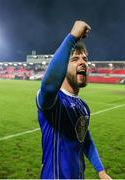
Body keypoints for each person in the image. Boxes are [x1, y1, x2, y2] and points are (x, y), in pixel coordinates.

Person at [36, 20, 112, 179]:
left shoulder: (83, 107)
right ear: (63, 67)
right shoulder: (52, 101)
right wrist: (72, 38)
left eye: (85, 59)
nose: (83, 62)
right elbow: (49, 86)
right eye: (75, 59)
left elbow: (85, 139)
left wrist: (101, 170)